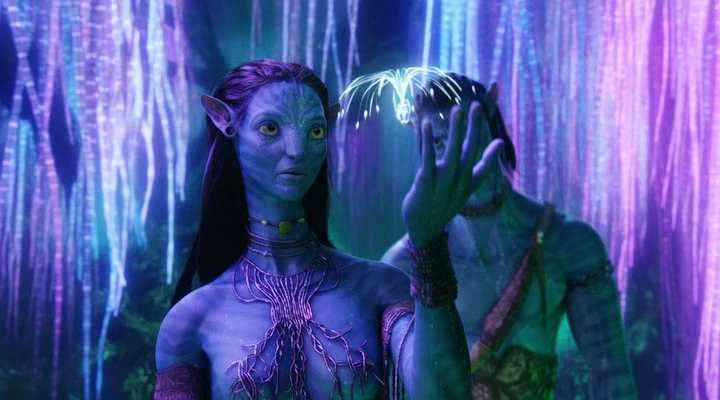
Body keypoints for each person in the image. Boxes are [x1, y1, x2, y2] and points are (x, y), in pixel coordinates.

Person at [153, 60, 503, 400]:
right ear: (225, 122)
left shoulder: (379, 289)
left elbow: (443, 393)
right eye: (270, 128)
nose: (297, 150)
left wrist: (428, 244)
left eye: (315, 131)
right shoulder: (191, 320)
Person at [382, 74, 638, 400]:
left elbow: (613, 379)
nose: (457, 152)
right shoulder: (403, 264)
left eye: (466, 131)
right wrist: (426, 245)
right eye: (439, 142)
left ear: (489, 120)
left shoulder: (568, 244)